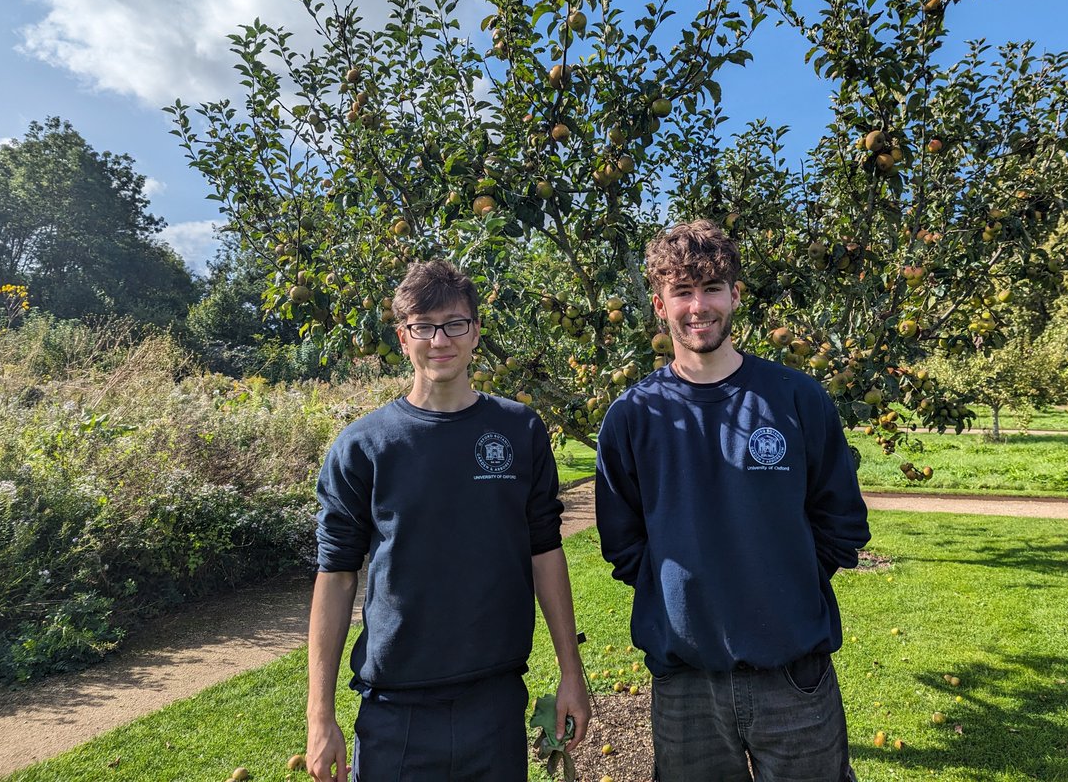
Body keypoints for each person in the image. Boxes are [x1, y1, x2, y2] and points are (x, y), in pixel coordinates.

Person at [595, 219, 870, 782]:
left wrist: (784, 581)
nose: (699, 306)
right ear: (659, 305)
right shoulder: (633, 416)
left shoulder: (797, 398)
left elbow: (841, 521)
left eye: (713, 288)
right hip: (686, 685)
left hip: (793, 676)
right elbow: (624, 544)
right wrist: (684, 603)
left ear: (736, 295)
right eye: (683, 292)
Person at [306, 259, 589, 782]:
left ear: (476, 331)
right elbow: (336, 575)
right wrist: (319, 716)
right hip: (397, 709)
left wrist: (572, 673)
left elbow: (545, 551)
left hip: (496, 701)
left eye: (455, 323)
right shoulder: (364, 447)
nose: (441, 339)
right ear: (402, 335)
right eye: (424, 326)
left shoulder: (518, 429)